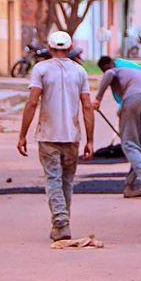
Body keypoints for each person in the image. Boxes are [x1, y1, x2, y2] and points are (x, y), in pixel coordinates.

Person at [17, 31, 94, 241]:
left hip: (48, 135)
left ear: (50, 49)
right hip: (72, 137)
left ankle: (60, 222)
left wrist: (22, 135)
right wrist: (90, 140)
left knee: (53, 179)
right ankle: (62, 222)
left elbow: (33, 102)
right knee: (66, 181)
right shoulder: (79, 72)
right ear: (69, 49)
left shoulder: (41, 70)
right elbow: (87, 105)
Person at [93, 56, 141, 198]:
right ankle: (129, 185)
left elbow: (109, 74)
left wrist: (98, 98)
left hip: (134, 99)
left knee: (129, 144)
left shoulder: (114, 70)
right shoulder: (132, 71)